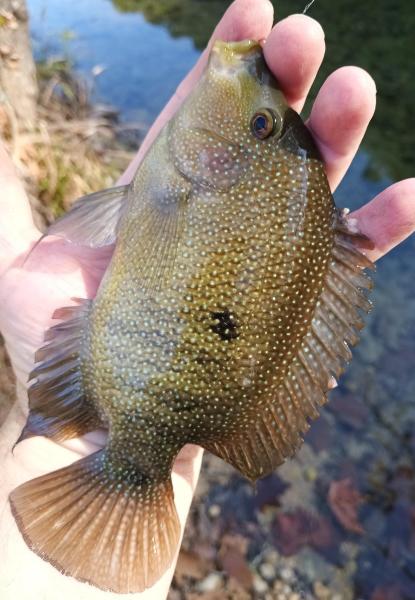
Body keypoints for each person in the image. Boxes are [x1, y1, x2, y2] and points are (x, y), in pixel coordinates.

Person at [0, 0, 414, 598]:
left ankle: (123, 470)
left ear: (240, 150)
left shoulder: (190, 176)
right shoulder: (198, 174)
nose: (255, 96)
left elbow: (105, 215)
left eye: (261, 125)